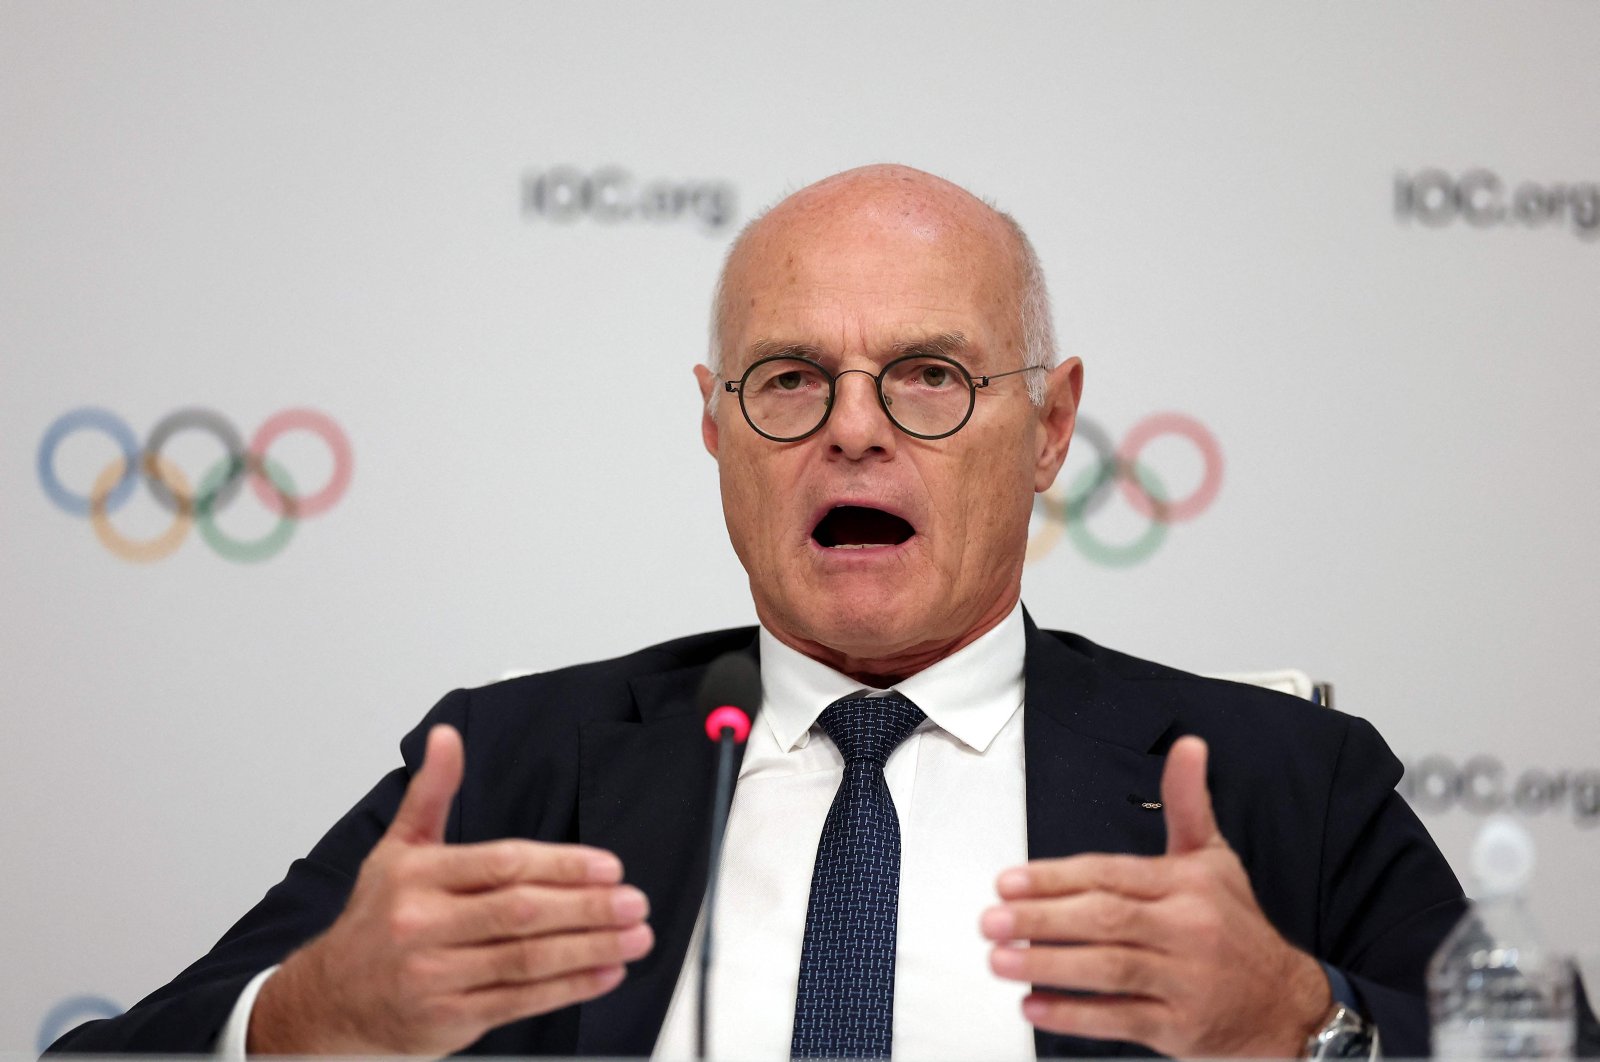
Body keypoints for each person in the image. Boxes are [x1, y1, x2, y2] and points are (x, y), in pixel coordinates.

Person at [49, 164, 1466, 1059]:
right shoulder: (509, 764)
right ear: (717, 431)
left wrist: (1310, 1028)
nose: (854, 431)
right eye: (790, 380)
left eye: (928, 374)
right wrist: (303, 1024)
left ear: (1050, 427)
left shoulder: (1279, 779)